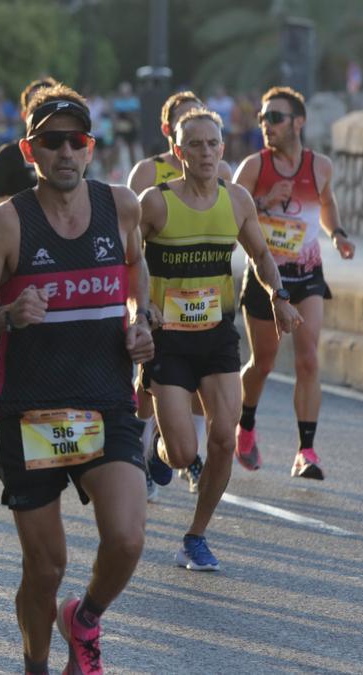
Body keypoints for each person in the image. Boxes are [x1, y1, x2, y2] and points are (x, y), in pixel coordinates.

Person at [0, 83, 155, 675]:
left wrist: (142, 325)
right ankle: (36, 666)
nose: (66, 152)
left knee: (127, 539)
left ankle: (84, 619)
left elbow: (135, 270)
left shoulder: (121, 206)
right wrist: (7, 315)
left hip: (106, 401)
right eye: (52, 142)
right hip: (31, 410)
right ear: (30, 149)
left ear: (91, 148)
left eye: (77, 141)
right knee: (45, 569)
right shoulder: (7, 224)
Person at [139, 108, 301, 572]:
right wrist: (139, 307)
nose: (206, 152)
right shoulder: (155, 202)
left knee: (224, 441)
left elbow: (262, 255)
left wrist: (279, 296)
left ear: (222, 149)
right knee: (183, 453)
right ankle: (158, 448)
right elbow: (131, 257)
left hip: (216, 338)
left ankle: (195, 536)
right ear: (179, 151)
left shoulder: (238, 201)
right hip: (167, 341)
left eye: (213, 144)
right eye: (196, 144)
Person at [233, 86, 355, 480]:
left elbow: (326, 203)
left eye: (275, 117)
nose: (266, 125)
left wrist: (336, 233)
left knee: (308, 359)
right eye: (263, 118)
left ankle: (306, 451)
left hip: (307, 276)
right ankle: (246, 426)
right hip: (266, 279)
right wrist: (266, 202)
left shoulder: (319, 166)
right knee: (264, 363)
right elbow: (231, 215)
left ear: (298, 122)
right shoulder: (254, 168)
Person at [127, 91, 236, 496]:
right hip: (157, 312)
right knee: (147, 390)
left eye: (210, 137)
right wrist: (139, 307)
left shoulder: (221, 177)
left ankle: (180, 457)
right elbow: (129, 243)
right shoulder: (147, 176)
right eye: (190, 128)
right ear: (172, 134)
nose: (203, 144)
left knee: (204, 404)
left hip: (208, 317)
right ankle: (145, 446)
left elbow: (229, 221)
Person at [0, 78, 58, 220]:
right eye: (36, 105)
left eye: (49, 104)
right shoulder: (8, 156)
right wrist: (27, 205)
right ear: (24, 115)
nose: (43, 112)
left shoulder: (72, 151)